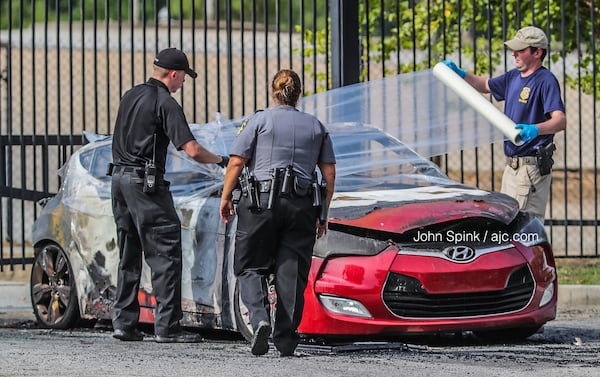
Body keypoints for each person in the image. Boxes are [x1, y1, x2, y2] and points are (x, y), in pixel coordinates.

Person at [110, 47, 229, 343]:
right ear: (173, 74)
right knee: (165, 253)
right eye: (183, 78)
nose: (183, 83)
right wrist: (222, 161)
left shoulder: (131, 95)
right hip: (144, 185)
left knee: (129, 253)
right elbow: (192, 150)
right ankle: (168, 327)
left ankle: (123, 324)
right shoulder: (166, 103)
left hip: (119, 181)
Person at [219, 69, 336, 356]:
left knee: (249, 265)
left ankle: (259, 319)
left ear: (273, 92)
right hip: (301, 206)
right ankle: (286, 339)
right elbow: (329, 172)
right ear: (299, 94)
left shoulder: (259, 120)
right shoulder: (316, 126)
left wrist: (225, 197)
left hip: (260, 204)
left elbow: (236, 162)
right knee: (291, 271)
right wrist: (324, 212)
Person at [443, 26, 566, 222]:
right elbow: (485, 85)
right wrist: (461, 74)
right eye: (514, 49)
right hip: (512, 167)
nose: (514, 54)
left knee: (522, 227)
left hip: (530, 168)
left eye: (521, 50)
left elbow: (560, 120)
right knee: (508, 225)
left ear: (538, 52)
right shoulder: (513, 76)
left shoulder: (545, 80)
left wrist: (535, 129)